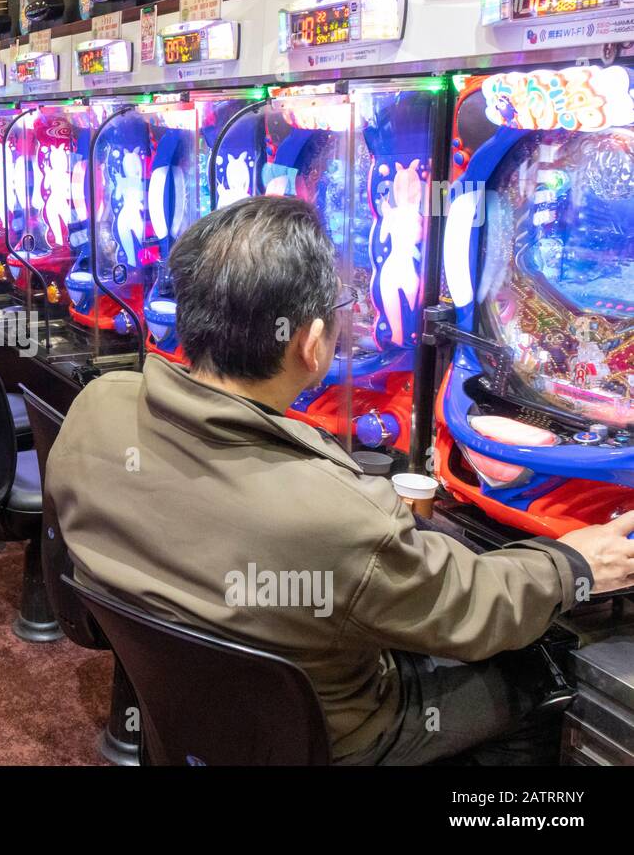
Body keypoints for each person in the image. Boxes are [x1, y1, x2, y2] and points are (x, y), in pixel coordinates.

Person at [45, 194, 634, 766]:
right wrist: (574, 566)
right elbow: (476, 614)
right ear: (310, 341)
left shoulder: (98, 407)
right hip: (331, 735)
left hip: (193, 703)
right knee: (538, 668)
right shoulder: (332, 516)